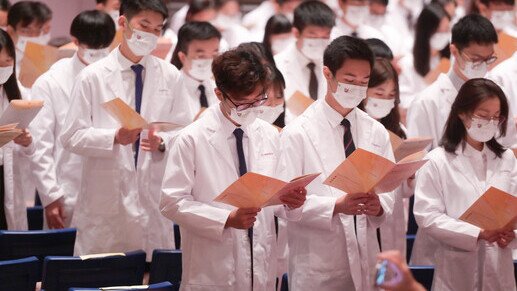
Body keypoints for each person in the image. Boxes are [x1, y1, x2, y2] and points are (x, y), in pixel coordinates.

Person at [160, 48, 306, 290]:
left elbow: (276, 194)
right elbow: (171, 202)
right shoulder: (192, 138)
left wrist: (290, 201)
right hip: (212, 266)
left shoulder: (268, 134)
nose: (252, 108)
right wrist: (226, 218)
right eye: (242, 103)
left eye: (258, 99)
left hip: (261, 259)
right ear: (219, 94)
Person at [60, 0, 192, 259]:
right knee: (104, 274)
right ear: (123, 23)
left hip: (151, 194)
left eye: (157, 29)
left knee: (153, 273)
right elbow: (71, 136)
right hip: (106, 198)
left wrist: (163, 142)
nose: (151, 34)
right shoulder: (93, 76)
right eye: (144, 25)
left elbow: (184, 131)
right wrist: (113, 137)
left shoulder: (170, 75)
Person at [277, 35, 394, 291]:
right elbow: (282, 204)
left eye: (364, 82)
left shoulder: (375, 131)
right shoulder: (297, 133)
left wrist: (379, 206)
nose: (357, 88)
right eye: (350, 81)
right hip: (317, 263)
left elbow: (389, 191)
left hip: (367, 253)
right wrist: (336, 206)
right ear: (328, 74)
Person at [414, 78, 517, 291]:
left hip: (500, 266)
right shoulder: (437, 160)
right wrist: (477, 233)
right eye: (483, 115)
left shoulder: (507, 158)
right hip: (456, 268)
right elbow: (428, 216)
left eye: (496, 117)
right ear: (462, 113)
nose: (490, 122)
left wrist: (511, 233)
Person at [28, 10, 115, 230]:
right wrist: (50, 195)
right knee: (68, 260)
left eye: (104, 46)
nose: (99, 52)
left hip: (113, 189)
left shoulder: (120, 76)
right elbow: (40, 144)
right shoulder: (50, 82)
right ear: (75, 41)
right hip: (68, 188)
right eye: (92, 47)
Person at [407, 14, 516, 151]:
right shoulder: (426, 102)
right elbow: (416, 160)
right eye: (475, 59)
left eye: (488, 59)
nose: (483, 65)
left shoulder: (500, 94)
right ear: (454, 51)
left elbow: (508, 146)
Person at [358, 58, 412, 258]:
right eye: (379, 94)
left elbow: (404, 192)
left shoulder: (399, 132)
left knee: (390, 278)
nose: (384, 101)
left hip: (389, 215)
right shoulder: (354, 129)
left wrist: (409, 175)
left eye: (390, 96)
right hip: (362, 211)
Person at [275, 0, 335, 123]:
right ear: (296, 32)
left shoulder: (336, 65)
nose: (319, 42)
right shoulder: (277, 65)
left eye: (325, 36)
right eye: (313, 36)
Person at [0, 29, 32, 230]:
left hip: (7, 177)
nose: (3, 67)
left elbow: (31, 148)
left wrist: (27, 141)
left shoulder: (20, 93)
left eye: (7, 61)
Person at [398, 3, 451, 109]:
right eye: (439, 31)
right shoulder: (407, 62)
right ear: (426, 31)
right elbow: (403, 100)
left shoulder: (448, 58)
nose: (444, 35)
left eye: (447, 30)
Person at [171, 21, 221, 121]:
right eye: (201, 56)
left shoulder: (220, 89)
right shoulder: (170, 89)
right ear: (183, 57)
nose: (209, 61)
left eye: (214, 55)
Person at [6, 1, 52, 72]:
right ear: (10, 31)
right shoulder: (4, 62)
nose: (33, 36)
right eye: (27, 31)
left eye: (38, 31)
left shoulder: (46, 58)